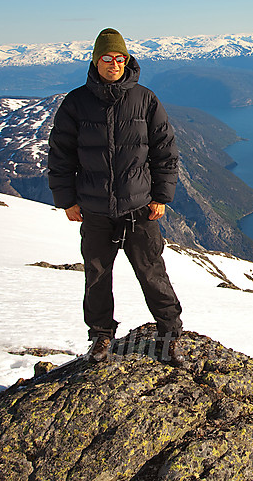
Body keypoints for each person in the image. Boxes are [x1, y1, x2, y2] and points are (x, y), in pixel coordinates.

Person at [47, 27, 183, 364]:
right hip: (94, 211)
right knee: (96, 277)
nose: (113, 63)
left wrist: (161, 196)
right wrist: (67, 200)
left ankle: (169, 335)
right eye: (107, 58)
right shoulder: (76, 103)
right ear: (96, 61)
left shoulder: (145, 99)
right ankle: (100, 338)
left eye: (119, 57)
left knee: (152, 273)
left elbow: (165, 151)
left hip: (140, 209)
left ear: (127, 60)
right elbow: (60, 154)